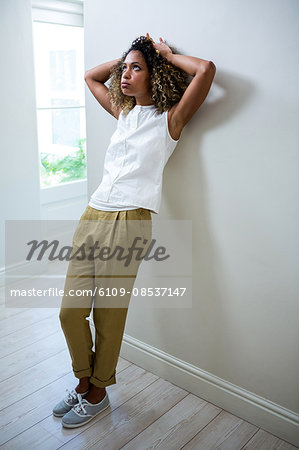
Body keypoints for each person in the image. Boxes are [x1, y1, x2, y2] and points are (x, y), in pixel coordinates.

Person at [52, 33, 216, 428]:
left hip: (130, 221)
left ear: (153, 74)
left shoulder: (169, 120)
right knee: (70, 312)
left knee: (109, 315)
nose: (124, 74)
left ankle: (98, 393)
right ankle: (82, 381)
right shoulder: (123, 113)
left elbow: (207, 71)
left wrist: (164, 54)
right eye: (124, 68)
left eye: (134, 69)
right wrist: (128, 54)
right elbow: (91, 77)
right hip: (92, 214)